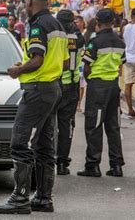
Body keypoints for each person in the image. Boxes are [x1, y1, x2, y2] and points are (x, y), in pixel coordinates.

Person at [0, 0, 68, 214]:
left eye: (25, 1)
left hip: (37, 90)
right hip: (53, 88)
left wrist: (19, 70)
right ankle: (43, 198)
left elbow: (37, 60)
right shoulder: (58, 25)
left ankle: (20, 198)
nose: (24, 6)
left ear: (32, 1)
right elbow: (64, 63)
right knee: (44, 146)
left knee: (20, 142)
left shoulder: (38, 26)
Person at [78, 9, 126, 178]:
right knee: (113, 127)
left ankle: (93, 165)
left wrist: (90, 81)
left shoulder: (95, 42)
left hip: (98, 87)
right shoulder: (120, 42)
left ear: (97, 22)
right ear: (113, 22)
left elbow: (87, 67)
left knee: (94, 126)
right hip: (113, 87)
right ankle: (116, 165)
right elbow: (121, 65)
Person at [55, 10, 85, 175]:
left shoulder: (54, 37)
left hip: (55, 84)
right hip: (71, 86)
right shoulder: (79, 39)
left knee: (48, 124)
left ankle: (46, 160)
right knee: (66, 125)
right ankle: (62, 162)